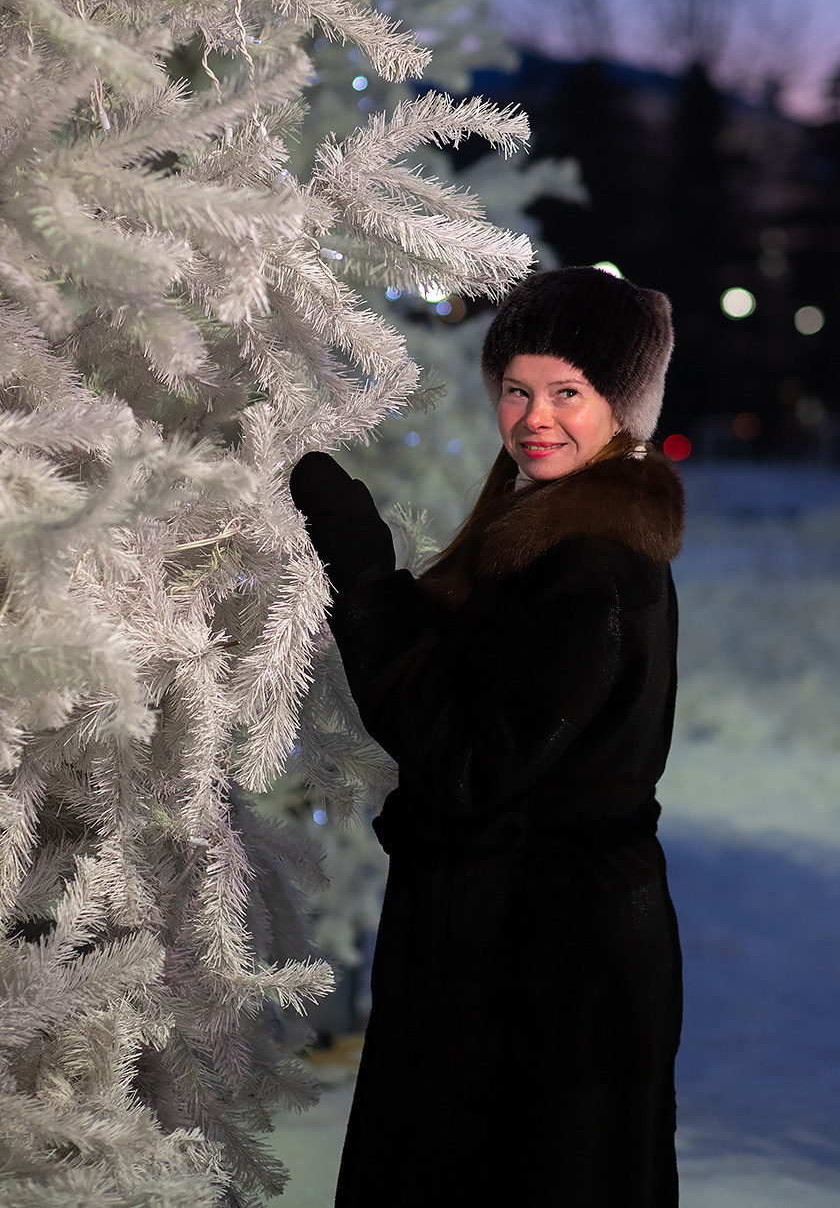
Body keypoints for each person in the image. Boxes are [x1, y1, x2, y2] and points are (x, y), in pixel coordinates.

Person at [289, 266, 684, 1208]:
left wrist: (365, 573)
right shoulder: (544, 529)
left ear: (621, 405)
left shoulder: (586, 567)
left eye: (568, 393)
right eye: (517, 387)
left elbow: (468, 762)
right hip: (535, 958)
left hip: (542, 982)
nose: (534, 417)